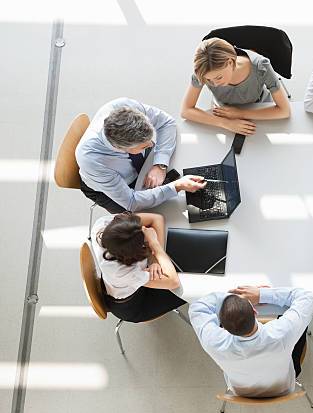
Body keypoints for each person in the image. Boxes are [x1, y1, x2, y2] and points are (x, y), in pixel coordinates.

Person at [76, 97, 207, 213]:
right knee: (159, 213)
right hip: (114, 187)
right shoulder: (92, 161)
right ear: (122, 148)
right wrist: (176, 187)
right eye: (144, 146)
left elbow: (166, 123)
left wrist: (160, 164)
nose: (151, 145)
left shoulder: (124, 107)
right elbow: (132, 202)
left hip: (132, 164)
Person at [189, 285, 313, 397]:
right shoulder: (280, 334)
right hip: (283, 388)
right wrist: (261, 295)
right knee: (298, 327)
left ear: (222, 326)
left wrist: (232, 298)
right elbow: (306, 298)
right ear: (255, 312)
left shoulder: (214, 342)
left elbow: (197, 307)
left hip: (240, 392)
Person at [180, 37, 291, 136]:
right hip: (224, 113)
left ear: (230, 62)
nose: (215, 84)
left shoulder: (261, 66)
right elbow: (186, 110)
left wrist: (240, 113)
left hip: (260, 107)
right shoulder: (203, 71)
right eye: (209, 80)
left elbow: (285, 111)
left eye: (219, 77)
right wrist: (225, 123)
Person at [91, 211, 186, 322]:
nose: (144, 228)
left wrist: (154, 260)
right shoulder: (123, 272)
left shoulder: (102, 225)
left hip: (126, 284)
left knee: (178, 253)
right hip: (134, 306)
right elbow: (173, 282)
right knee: (191, 287)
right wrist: (154, 243)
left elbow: (156, 218)